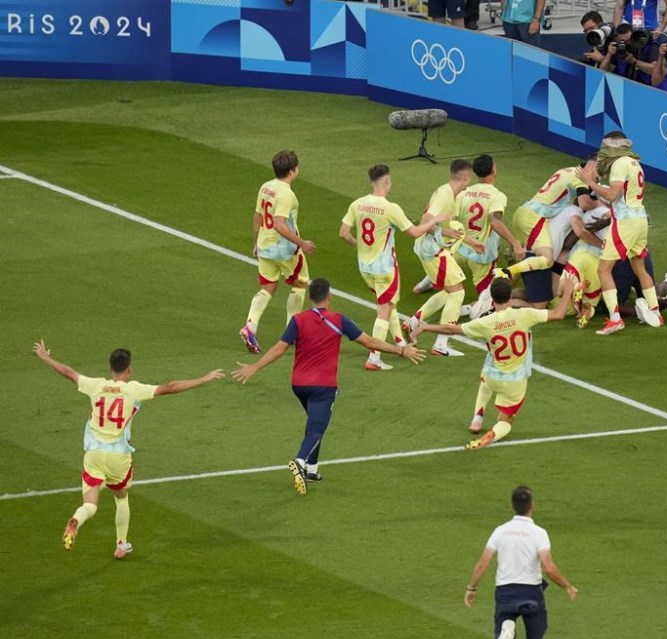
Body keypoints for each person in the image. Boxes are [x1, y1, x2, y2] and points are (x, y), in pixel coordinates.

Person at [232, 278, 426, 495]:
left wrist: (256, 366)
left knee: (315, 421)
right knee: (317, 427)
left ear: (311, 298)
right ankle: (300, 460)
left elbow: (279, 349)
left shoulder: (298, 320)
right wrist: (401, 350)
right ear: (329, 297)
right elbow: (370, 342)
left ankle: (312, 470)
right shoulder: (339, 320)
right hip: (323, 386)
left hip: (298, 385)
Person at [33, 341, 224, 559]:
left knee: (90, 503)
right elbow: (170, 387)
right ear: (129, 369)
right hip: (118, 456)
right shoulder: (133, 389)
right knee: (121, 496)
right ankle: (121, 544)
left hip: (93, 455)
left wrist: (46, 358)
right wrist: (203, 378)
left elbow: (68, 372)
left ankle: (77, 519)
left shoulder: (95, 385)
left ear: (109, 368)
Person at [413, 278, 572, 447]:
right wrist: (568, 291)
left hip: (492, 376)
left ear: (492, 299)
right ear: (511, 296)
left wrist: (426, 327)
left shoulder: (485, 323)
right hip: (515, 380)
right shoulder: (525, 315)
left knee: (486, 373)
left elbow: (451, 329)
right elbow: (558, 314)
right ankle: (493, 435)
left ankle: (478, 416)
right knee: (506, 421)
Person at [339, 164, 444, 371]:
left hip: (365, 267)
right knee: (384, 310)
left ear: (371, 181)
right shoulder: (390, 208)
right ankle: (374, 357)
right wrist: (437, 220)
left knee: (388, 304)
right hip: (385, 269)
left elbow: (343, 232)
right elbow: (414, 232)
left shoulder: (357, 204)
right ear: (387, 182)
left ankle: (400, 342)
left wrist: (359, 245)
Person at [464, 486, 578, 639]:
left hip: (506, 593)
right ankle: (509, 630)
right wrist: (567, 586)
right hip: (532, 594)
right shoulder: (539, 533)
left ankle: (507, 628)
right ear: (532, 505)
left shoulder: (500, 531)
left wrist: (471, 588)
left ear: (512, 506)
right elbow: (548, 568)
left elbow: (482, 564)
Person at [576, 131, 663, 335]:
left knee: (603, 269)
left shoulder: (619, 164)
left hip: (625, 223)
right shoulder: (635, 163)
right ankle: (655, 312)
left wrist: (590, 183)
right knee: (639, 268)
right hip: (640, 219)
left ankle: (615, 319)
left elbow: (613, 194)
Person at [239, 150, 316, 355]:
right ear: (292, 171)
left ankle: (250, 326)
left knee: (268, 287)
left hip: (265, 245)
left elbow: (257, 217)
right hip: (285, 249)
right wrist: (302, 243)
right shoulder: (286, 194)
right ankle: (293, 333)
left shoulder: (266, 187)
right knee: (300, 284)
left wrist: (256, 243)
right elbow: (280, 225)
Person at [408, 160, 478, 357]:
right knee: (457, 293)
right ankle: (441, 344)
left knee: (450, 292)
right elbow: (425, 221)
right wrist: (444, 229)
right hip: (432, 251)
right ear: (465, 177)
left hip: (429, 248)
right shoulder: (445, 195)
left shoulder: (447, 193)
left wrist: (471, 242)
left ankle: (414, 321)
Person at [454, 154, 524, 319]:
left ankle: (430, 280)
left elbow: (453, 219)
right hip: (481, 257)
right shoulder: (497, 196)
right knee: (490, 300)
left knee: (450, 278)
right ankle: (474, 310)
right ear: (494, 170)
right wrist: (515, 243)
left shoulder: (463, 193)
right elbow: (495, 222)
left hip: (459, 250)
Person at [502, 159, 595, 282]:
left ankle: (495, 295)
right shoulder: (581, 177)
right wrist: (604, 204)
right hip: (534, 218)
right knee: (547, 260)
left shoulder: (567, 170)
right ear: (593, 167)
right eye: (598, 178)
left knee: (526, 259)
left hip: (524, 212)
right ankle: (505, 274)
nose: (595, 183)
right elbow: (585, 204)